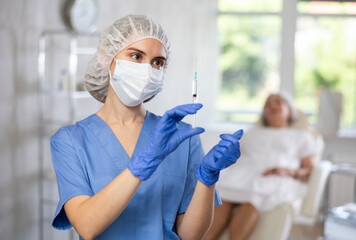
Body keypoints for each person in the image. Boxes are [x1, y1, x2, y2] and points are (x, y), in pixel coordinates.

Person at [50, 15, 243, 240]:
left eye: (157, 62)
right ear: (106, 57)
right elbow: (86, 225)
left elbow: (190, 235)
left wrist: (208, 178)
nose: (147, 69)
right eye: (136, 56)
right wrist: (142, 165)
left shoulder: (182, 137)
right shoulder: (70, 140)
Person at [203, 92, 316, 240]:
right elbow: (234, 157)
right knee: (222, 198)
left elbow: (309, 170)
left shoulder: (301, 136)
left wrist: (289, 172)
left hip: (274, 176)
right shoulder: (252, 133)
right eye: (268, 104)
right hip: (242, 175)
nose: (272, 106)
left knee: (252, 199)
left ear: (290, 110)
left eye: (277, 102)